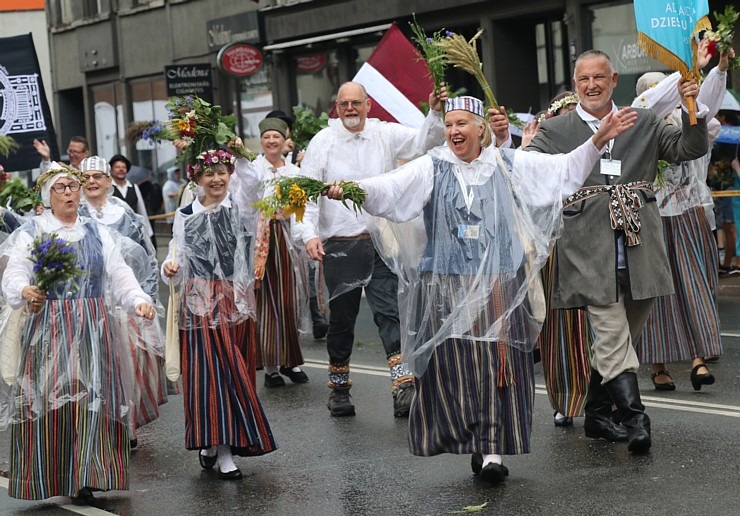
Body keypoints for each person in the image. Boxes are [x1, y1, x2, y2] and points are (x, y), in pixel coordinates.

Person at [325, 95, 637, 484]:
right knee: (458, 369)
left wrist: (595, 141)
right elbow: (389, 189)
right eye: (450, 124)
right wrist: (351, 190)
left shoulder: (508, 165)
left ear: (480, 129)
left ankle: (492, 449)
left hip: (498, 285)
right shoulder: (432, 167)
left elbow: (562, 172)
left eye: (462, 124)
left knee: (496, 367)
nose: (454, 131)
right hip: (448, 286)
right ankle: (473, 438)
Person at [501, 49, 709, 453]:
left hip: (640, 247)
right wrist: (513, 144)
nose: (592, 85)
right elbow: (526, 172)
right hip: (586, 250)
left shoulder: (643, 120)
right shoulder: (557, 129)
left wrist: (691, 108)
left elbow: (689, 149)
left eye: (599, 78)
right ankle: (635, 419)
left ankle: (596, 413)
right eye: (583, 80)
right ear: (576, 84)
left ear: (614, 80)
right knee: (612, 334)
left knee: (620, 339)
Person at [0, 163, 156, 502]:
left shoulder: (97, 231)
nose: (70, 192)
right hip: (50, 329)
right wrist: (26, 290)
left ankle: (88, 474)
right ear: (48, 195)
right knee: (51, 400)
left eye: (73, 186)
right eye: (61, 188)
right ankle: (50, 475)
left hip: (94, 328)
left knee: (93, 399)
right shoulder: (35, 230)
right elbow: (14, 272)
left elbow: (119, 274)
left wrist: (139, 301)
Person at [293, 81, 447, 418]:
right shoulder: (323, 142)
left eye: (356, 103)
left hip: (381, 241)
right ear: (337, 107)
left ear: (368, 105)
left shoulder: (384, 134)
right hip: (340, 245)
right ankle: (339, 389)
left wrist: (435, 112)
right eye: (344, 103)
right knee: (342, 321)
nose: (350, 109)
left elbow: (424, 142)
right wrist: (308, 235)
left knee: (389, 311)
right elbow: (303, 195)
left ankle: (402, 386)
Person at [161, 148, 276, 480]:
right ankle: (222, 449)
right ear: (196, 179)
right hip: (199, 299)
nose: (216, 179)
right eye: (208, 173)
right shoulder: (186, 213)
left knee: (234, 368)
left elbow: (254, 180)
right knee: (209, 372)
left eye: (222, 171)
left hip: (233, 297)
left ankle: (216, 441)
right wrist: (171, 266)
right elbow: (177, 248)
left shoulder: (239, 206)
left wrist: (239, 154)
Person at [631, 45, 733, 391]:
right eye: (656, 92)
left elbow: (709, 105)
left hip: (690, 216)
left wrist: (716, 71)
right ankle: (659, 366)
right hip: (652, 218)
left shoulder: (694, 121)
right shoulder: (637, 129)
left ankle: (698, 359)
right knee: (658, 295)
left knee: (695, 287)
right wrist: (685, 71)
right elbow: (644, 108)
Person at [78, 155, 167, 446]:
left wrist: (148, 295)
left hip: (125, 304)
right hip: (87, 305)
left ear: (108, 181)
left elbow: (146, 255)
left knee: (128, 367)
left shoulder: (124, 213)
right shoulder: (73, 214)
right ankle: (99, 427)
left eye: (98, 177)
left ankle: (126, 426)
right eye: (86, 177)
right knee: (93, 371)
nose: (92, 182)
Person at [522, 92, 593, 428]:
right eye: (563, 116)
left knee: (600, 327)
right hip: (556, 250)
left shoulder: (595, 149)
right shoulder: (542, 151)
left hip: (594, 248)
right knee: (559, 331)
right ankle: (565, 399)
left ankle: (604, 400)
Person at [242, 117, 310, 388]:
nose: (272, 141)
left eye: (277, 137)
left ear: (285, 140)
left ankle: (290, 361)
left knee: (288, 301)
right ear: (261, 140)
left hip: (287, 240)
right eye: (267, 136)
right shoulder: (253, 168)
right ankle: (270, 367)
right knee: (266, 302)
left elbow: (301, 208)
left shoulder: (293, 171)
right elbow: (245, 200)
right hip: (261, 240)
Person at [109, 154, 155, 244]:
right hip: (115, 234)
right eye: (117, 167)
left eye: (123, 167)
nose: (121, 169)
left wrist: (148, 233)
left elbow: (142, 211)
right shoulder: (108, 189)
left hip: (134, 233)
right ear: (111, 170)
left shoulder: (134, 187)